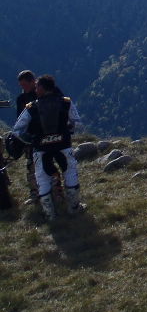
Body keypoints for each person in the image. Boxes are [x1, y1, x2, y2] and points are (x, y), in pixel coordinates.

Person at [11, 74, 84, 220]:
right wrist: (67, 131)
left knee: (42, 178)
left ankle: (50, 215)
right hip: (63, 145)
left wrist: (30, 140)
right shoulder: (65, 102)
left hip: (40, 148)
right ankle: (74, 208)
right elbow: (77, 124)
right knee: (70, 173)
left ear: (42, 88)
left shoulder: (32, 107)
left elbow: (17, 130)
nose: (35, 89)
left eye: (37, 86)